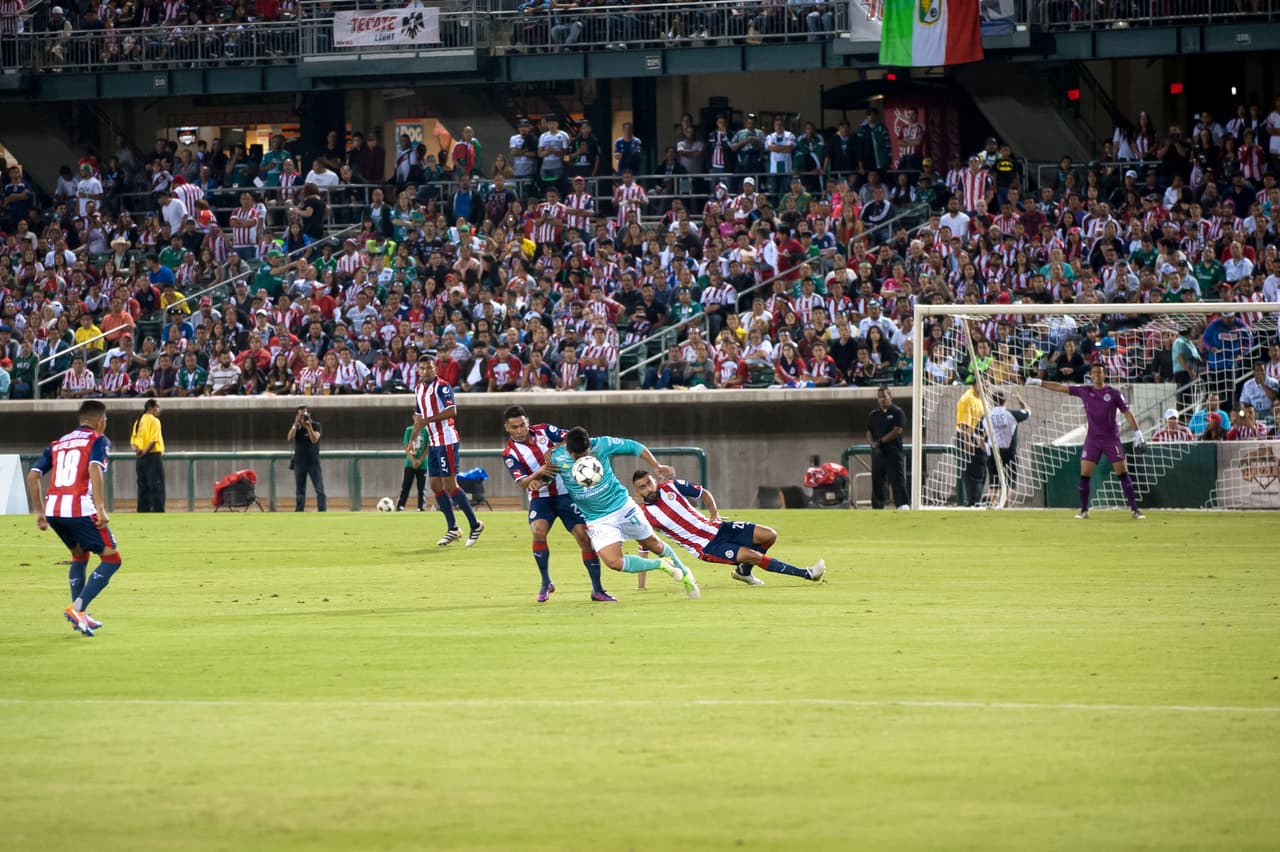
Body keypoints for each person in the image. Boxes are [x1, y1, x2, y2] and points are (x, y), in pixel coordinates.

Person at [533, 427, 698, 597]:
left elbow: (634, 446)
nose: (584, 459)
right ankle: (662, 565)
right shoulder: (556, 456)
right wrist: (541, 482)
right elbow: (548, 476)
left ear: (589, 445)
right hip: (597, 519)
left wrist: (656, 465)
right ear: (568, 449)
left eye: (586, 453)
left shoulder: (602, 444)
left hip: (622, 507)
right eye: (578, 456)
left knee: (654, 544)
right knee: (613, 562)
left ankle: (686, 574)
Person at [25, 400, 122, 637]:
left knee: (80, 555)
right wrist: (100, 507)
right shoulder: (98, 440)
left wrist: (39, 512)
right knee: (112, 559)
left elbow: (33, 476)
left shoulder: (58, 443)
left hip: (54, 510)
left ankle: (80, 616)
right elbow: (94, 469)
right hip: (79, 508)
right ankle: (77, 608)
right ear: (100, 421)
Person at [501, 406, 614, 603]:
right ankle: (546, 582)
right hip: (540, 498)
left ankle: (597, 589)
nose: (520, 430)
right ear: (507, 428)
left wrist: (555, 448)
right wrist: (538, 474)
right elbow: (522, 483)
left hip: (566, 494)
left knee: (584, 537)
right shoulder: (510, 453)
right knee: (538, 531)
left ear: (528, 422)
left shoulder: (545, 430)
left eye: (522, 425)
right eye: (515, 427)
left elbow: (572, 437)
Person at [632, 471, 823, 586]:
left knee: (769, 535)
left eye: (649, 483)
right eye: (642, 487)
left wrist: (714, 513)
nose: (648, 489)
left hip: (719, 528)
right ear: (637, 492)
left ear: (654, 481)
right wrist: (642, 586)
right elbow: (644, 548)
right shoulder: (646, 516)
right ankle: (807, 574)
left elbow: (703, 493)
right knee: (754, 556)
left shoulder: (672, 486)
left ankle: (744, 573)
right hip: (706, 547)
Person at [1028, 363, 1145, 519]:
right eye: (1094, 372)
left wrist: (1138, 432)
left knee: (1122, 473)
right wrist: (1039, 382)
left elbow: (1127, 412)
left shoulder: (1114, 394)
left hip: (1111, 440)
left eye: (1100, 372)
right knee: (1084, 475)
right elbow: (1061, 387)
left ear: (1104, 374)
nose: (1097, 374)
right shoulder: (1085, 391)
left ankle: (1135, 510)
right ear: (1090, 375)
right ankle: (1084, 510)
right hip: (1092, 440)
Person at [409, 353, 484, 547]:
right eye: (422, 368)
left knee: (450, 485)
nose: (426, 371)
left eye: (429, 368)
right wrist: (412, 439)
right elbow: (418, 417)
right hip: (433, 442)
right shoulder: (418, 389)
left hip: (447, 440)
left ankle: (475, 524)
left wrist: (427, 420)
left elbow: (452, 411)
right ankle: (453, 528)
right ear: (419, 370)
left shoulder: (442, 387)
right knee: (435, 485)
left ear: (435, 368)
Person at [866, 386, 909, 510]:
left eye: (884, 397)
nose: (881, 400)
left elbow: (897, 430)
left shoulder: (897, 412)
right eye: (879, 398)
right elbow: (869, 430)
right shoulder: (874, 414)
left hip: (893, 452)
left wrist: (880, 441)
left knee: (897, 480)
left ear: (890, 396)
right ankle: (877, 506)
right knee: (877, 481)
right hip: (878, 453)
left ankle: (902, 505)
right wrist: (872, 443)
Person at [984, 390, 1031, 498]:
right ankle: (1006, 504)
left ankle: (991, 505)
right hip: (1009, 452)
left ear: (992, 401)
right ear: (1005, 401)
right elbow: (1028, 411)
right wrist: (1020, 401)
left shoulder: (987, 416)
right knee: (1009, 482)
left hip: (993, 451)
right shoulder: (1011, 414)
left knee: (993, 483)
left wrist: (986, 449)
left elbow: (979, 436)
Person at [130, 398, 166, 513]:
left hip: (140, 458)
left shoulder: (138, 421)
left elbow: (133, 441)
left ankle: (143, 510)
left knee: (142, 485)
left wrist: (138, 452)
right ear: (151, 408)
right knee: (156, 484)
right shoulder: (154, 421)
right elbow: (153, 440)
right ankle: (157, 510)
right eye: (157, 407)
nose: (159, 410)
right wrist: (144, 452)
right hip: (152, 456)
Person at [955, 381, 987, 507]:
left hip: (980, 439)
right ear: (976, 383)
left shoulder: (980, 399)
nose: (987, 387)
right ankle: (973, 502)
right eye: (985, 384)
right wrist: (967, 442)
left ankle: (976, 500)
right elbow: (964, 424)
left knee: (981, 472)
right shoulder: (967, 399)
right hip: (970, 438)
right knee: (973, 473)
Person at [289, 405, 326, 512]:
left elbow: (314, 439)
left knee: (319, 489)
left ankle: (322, 510)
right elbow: (289, 438)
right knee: (300, 490)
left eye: (304, 415)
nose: (302, 417)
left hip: (313, 462)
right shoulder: (296, 427)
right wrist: (295, 424)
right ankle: (299, 511)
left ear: (308, 414)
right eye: (300, 415)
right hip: (299, 462)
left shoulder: (315, 425)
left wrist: (308, 426)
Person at [398, 415, 429, 512]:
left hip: (422, 463)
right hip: (410, 463)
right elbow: (406, 446)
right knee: (406, 485)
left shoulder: (426, 431)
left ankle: (421, 506)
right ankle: (401, 506)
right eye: (417, 416)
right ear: (413, 417)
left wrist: (420, 460)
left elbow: (428, 447)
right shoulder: (409, 430)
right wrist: (413, 460)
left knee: (422, 487)